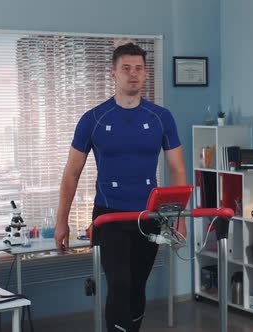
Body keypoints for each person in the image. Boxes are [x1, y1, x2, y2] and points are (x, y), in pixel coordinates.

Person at [54, 42, 186, 332]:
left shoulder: (161, 118)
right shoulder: (93, 119)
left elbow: (177, 169)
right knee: (120, 283)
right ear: (113, 73)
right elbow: (71, 173)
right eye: (126, 68)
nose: (133, 74)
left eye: (138, 68)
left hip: (149, 216)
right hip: (108, 216)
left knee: (137, 286)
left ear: (146, 74)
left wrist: (178, 219)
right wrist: (61, 221)